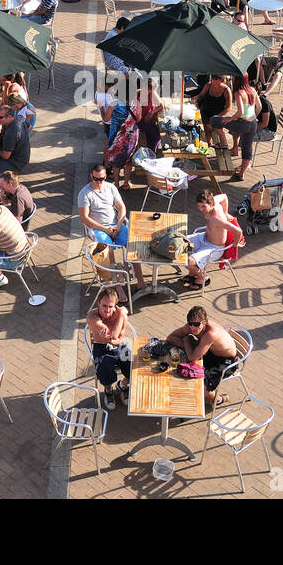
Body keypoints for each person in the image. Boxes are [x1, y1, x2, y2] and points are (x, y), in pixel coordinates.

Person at [78, 163, 148, 297]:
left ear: (105, 177)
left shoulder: (110, 187)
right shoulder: (84, 194)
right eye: (96, 179)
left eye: (102, 179)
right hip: (98, 228)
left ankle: (141, 282)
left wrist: (119, 224)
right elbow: (84, 218)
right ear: (91, 176)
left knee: (133, 246)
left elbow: (121, 207)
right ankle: (118, 287)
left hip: (116, 224)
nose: (99, 182)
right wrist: (106, 229)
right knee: (108, 251)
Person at [164, 304, 240, 409]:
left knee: (202, 385)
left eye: (196, 324)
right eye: (190, 324)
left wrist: (186, 341)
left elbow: (192, 358)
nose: (192, 328)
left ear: (204, 323)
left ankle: (218, 400)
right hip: (211, 353)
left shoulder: (210, 334)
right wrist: (189, 345)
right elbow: (171, 338)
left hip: (227, 362)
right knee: (187, 369)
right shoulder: (192, 327)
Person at [183, 190, 243, 292]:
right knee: (180, 242)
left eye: (203, 206)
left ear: (210, 204)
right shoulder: (214, 200)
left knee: (188, 261)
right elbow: (224, 196)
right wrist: (226, 212)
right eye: (199, 206)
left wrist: (235, 244)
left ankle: (202, 278)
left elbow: (238, 231)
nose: (200, 209)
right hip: (204, 237)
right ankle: (193, 272)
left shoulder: (218, 219)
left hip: (214, 248)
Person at [87, 288, 131, 408]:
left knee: (134, 364)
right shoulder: (92, 316)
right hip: (100, 347)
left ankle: (122, 385)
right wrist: (122, 315)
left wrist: (121, 316)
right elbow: (112, 337)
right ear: (98, 304)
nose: (107, 310)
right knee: (103, 368)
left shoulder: (120, 314)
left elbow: (119, 339)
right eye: (104, 305)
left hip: (119, 345)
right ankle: (108, 390)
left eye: (110, 306)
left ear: (115, 305)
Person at [0, 104, 30, 183]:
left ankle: (9, 189)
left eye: (0, 117)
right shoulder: (19, 117)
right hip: (24, 154)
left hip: (17, 161)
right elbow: (29, 127)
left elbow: (6, 156)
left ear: (9, 117)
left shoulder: (10, 134)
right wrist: (20, 141)